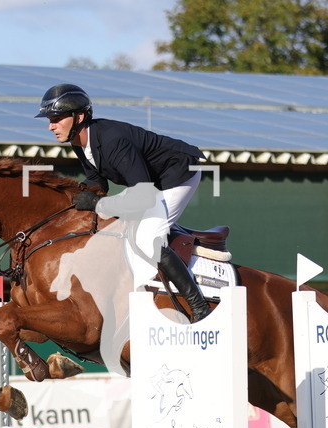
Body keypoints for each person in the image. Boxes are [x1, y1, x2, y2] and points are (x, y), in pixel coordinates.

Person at [35, 83, 211, 322]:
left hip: (179, 173)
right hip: (152, 182)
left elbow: (143, 196)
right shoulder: (80, 142)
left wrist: (98, 205)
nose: (50, 126)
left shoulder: (112, 140)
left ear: (79, 116)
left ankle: (199, 307)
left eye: (56, 119)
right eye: (49, 120)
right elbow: (97, 184)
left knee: (148, 238)